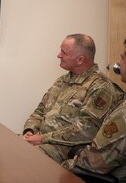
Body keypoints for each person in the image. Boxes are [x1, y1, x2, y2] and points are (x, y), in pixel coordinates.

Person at [23, 34, 123, 163]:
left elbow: (86, 130)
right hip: (39, 140)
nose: (58, 55)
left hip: (63, 148)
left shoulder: (100, 87)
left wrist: (42, 138)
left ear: (80, 60)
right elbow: (40, 111)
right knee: (7, 148)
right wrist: (30, 131)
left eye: (64, 53)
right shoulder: (62, 81)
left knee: (21, 159)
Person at [62, 39, 126, 181]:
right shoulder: (62, 80)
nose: (119, 62)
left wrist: (61, 167)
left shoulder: (123, 113)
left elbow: (92, 163)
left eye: (123, 57)